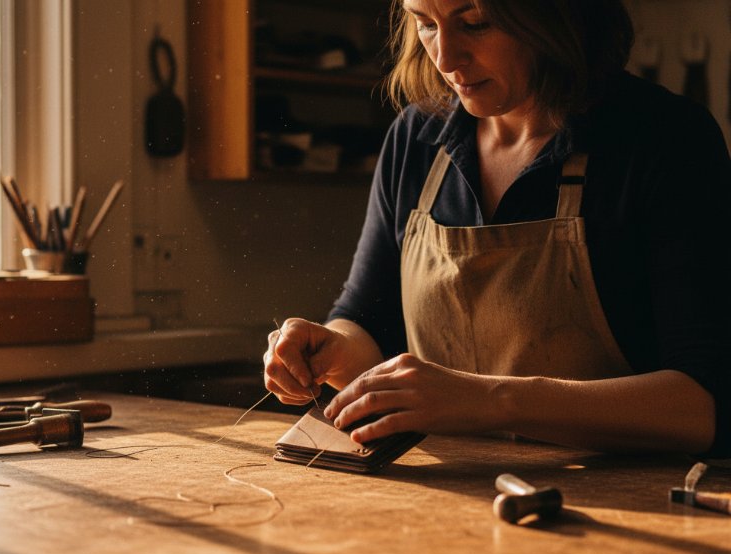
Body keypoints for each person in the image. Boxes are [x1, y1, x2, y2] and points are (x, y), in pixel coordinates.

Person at [263, 0, 731, 458]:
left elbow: (702, 406)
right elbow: (367, 316)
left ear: (554, 17)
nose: (446, 58)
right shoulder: (417, 138)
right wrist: (335, 350)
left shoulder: (665, 139)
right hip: (448, 504)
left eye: (477, 23)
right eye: (425, 23)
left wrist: (491, 401)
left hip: (624, 514)